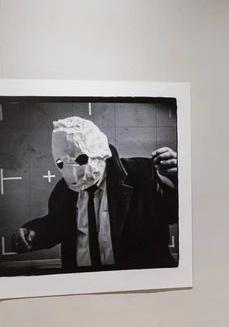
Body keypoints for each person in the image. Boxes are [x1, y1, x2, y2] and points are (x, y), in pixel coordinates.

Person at [10, 116, 178, 271]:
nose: (73, 175)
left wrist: (176, 180)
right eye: (61, 163)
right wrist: (34, 233)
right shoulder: (64, 188)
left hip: (135, 280)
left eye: (81, 160)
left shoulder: (142, 174)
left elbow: (175, 213)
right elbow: (57, 224)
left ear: (100, 152)